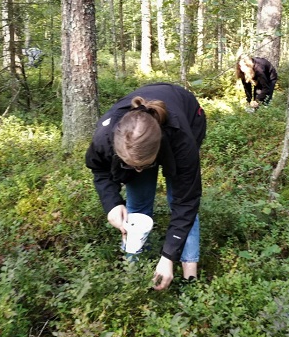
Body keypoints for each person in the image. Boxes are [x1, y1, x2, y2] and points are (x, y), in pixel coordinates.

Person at [85, 83, 206, 291]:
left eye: (145, 165)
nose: (139, 171)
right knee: (138, 200)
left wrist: (168, 257)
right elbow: (99, 170)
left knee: (177, 198)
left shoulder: (182, 142)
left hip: (189, 116)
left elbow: (186, 202)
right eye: (131, 165)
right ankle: (134, 264)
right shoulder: (105, 137)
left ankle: (189, 273)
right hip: (140, 140)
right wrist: (112, 204)